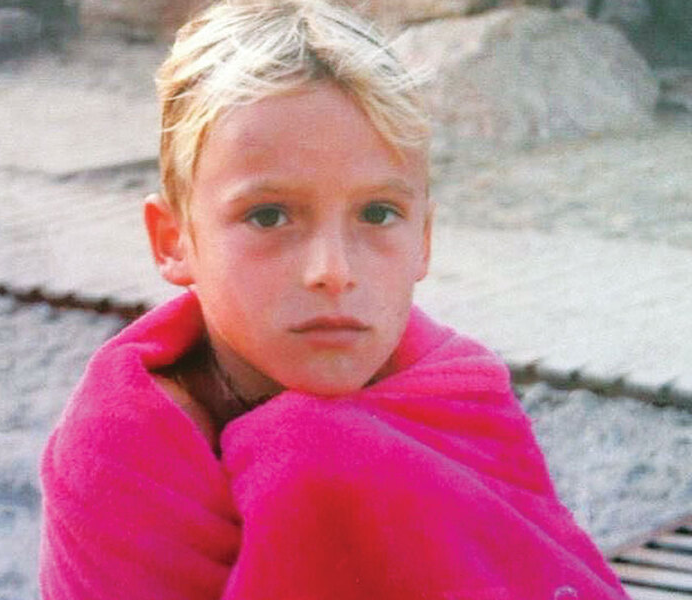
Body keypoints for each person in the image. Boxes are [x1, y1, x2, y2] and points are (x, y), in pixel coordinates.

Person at [40, 1, 629, 598]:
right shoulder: (119, 455)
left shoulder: (459, 401)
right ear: (173, 240)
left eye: (378, 213)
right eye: (268, 216)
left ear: (423, 241)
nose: (333, 272)